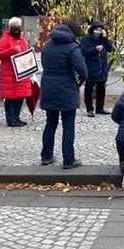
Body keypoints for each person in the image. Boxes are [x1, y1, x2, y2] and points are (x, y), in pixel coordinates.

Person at [40, 21, 88, 169]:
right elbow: (83, 70)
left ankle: (46, 156)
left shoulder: (47, 46)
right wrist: (80, 82)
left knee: (50, 123)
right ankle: (68, 159)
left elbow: (44, 64)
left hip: (48, 87)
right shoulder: (73, 48)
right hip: (66, 88)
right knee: (68, 125)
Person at [0, 17, 33, 127]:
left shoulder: (22, 40)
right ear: (10, 27)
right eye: (14, 26)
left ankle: (17, 118)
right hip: (9, 73)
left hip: (21, 72)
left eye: (18, 26)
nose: (17, 28)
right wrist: (11, 50)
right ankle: (10, 119)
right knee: (10, 97)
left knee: (20, 96)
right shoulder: (4, 40)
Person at [80, 20, 114, 117]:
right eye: (97, 29)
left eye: (100, 29)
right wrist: (95, 49)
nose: (98, 31)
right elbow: (83, 52)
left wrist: (105, 37)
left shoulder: (103, 39)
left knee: (101, 89)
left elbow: (110, 49)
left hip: (101, 68)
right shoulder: (86, 39)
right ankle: (89, 109)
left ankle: (100, 108)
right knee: (89, 89)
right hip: (90, 67)